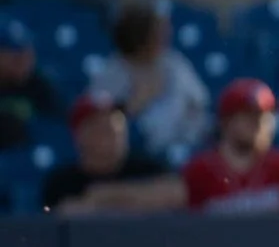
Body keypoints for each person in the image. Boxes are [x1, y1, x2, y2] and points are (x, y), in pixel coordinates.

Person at [87, 1, 209, 161]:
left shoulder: (173, 62)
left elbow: (199, 100)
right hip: (136, 154)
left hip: (187, 144)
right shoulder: (113, 73)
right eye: (157, 35)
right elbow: (96, 119)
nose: (165, 37)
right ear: (140, 39)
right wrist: (134, 104)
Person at [184, 78, 279, 212]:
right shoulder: (200, 172)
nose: (260, 125)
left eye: (266, 117)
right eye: (250, 117)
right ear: (227, 121)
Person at [42, 91, 185, 214]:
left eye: (118, 125)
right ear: (80, 135)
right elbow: (60, 213)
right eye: (101, 127)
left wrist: (105, 196)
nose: (113, 132)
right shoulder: (62, 182)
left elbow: (177, 193)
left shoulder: (147, 168)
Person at [0, 18, 61, 150]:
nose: (25, 61)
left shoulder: (39, 85)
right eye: (16, 56)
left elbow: (57, 124)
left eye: (27, 53)